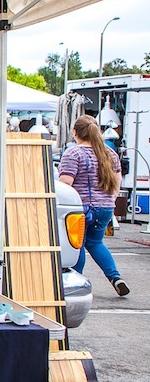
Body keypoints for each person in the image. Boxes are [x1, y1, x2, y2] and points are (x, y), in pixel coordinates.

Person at [58, 115, 128, 296]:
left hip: (81, 209)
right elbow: (117, 180)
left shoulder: (73, 153)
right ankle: (115, 277)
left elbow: (65, 184)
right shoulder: (109, 153)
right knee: (96, 243)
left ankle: (75, 282)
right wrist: (110, 201)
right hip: (105, 207)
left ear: (75, 132)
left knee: (76, 245)